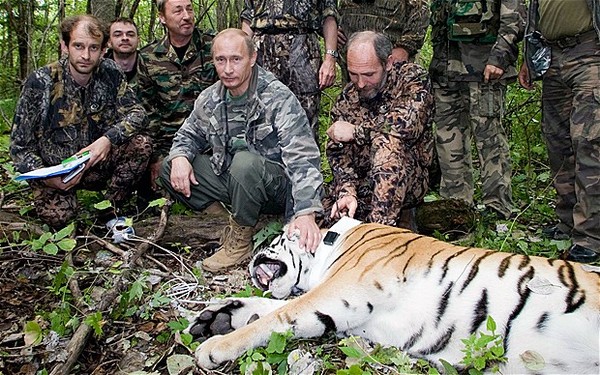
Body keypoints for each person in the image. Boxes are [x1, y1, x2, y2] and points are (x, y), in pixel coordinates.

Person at [160, 28, 324, 272]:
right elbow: (187, 135)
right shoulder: (211, 98)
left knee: (245, 163)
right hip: (235, 179)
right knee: (169, 166)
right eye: (220, 60)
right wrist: (181, 156)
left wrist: (306, 212)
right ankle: (223, 219)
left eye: (236, 59)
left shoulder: (277, 97)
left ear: (252, 58)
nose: (228, 69)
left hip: (275, 187)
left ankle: (240, 244)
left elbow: (303, 157)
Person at [9, 15, 152, 228]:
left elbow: (138, 113)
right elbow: (19, 148)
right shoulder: (41, 82)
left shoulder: (111, 72)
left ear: (104, 50)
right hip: (56, 171)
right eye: (78, 46)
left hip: (96, 164)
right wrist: (47, 178)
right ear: (64, 46)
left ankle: (109, 211)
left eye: (94, 48)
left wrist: (107, 140)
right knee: (59, 219)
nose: (86, 55)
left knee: (142, 144)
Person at [323, 31, 434, 230]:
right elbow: (339, 154)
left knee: (387, 145)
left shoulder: (412, 79)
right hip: (364, 183)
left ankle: (377, 233)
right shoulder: (347, 98)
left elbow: (404, 125)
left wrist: (357, 132)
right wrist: (347, 191)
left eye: (369, 74)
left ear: (388, 63)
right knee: (320, 216)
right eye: (353, 74)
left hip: (406, 179)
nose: (360, 83)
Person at [518, 0, 600, 263]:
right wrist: (529, 60)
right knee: (558, 142)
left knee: (589, 143)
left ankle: (590, 235)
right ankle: (567, 222)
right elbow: (535, 16)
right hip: (552, 57)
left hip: (590, 54)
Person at [429, 0, 525, 220]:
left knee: (489, 138)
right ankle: (456, 205)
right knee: (447, 137)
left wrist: (500, 57)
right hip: (445, 70)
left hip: (484, 70)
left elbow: (515, 18)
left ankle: (498, 206)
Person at [137, 0, 217, 194]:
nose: (187, 16)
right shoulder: (148, 57)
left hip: (211, 141)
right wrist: (157, 157)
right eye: (178, 11)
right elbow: (149, 112)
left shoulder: (213, 46)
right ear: (162, 18)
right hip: (168, 143)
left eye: (189, 9)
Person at [240, 0, 338, 139]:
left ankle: (304, 159)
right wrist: (242, 58)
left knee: (305, 117)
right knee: (261, 120)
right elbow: (248, 18)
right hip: (262, 49)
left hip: (303, 48)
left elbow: (329, 14)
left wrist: (330, 58)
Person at [337, 0, 430, 65]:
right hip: (352, 60)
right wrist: (333, 30)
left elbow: (420, 13)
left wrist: (404, 47)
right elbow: (330, 10)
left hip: (392, 57)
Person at [105, 17, 140, 84]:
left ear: (138, 40)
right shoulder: (98, 69)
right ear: (109, 42)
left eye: (130, 35)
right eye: (118, 35)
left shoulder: (151, 67)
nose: (125, 38)